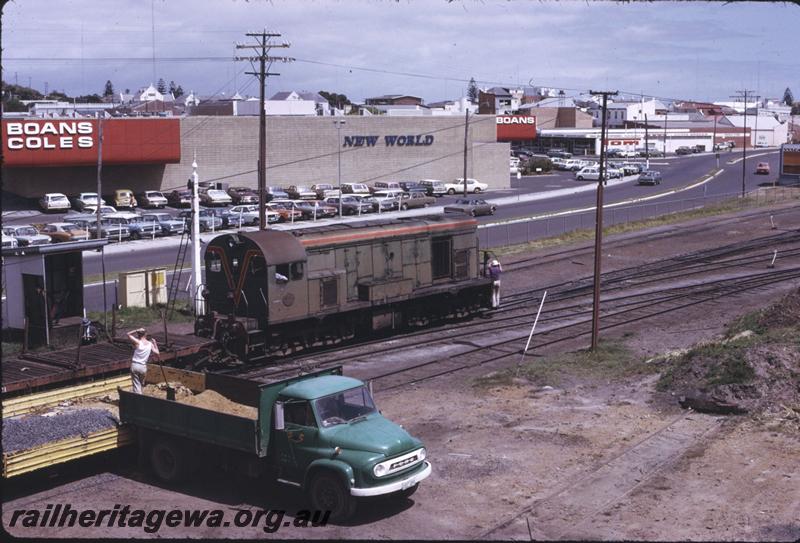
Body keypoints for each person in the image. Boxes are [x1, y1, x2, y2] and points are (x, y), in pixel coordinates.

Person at [127, 328, 160, 394]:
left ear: (138, 334)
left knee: (136, 385)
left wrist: (136, 330)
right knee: (141, 384)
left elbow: (128, 334)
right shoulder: (150, 344)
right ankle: (140, 396)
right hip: (143, 367)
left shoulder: (138, 342)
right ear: (146, 334)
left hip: (135, 365)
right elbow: (157, 353)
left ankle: (137, 399)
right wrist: (155, 343)